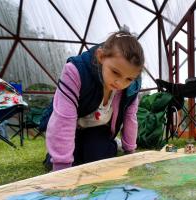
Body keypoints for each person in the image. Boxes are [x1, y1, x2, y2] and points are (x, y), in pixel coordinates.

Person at [45, 29, 144, 171]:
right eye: (115, 72)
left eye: (128, 79)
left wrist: (130, 152)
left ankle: (110, 145)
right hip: (73, 127)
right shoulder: (75, 71)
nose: (120, 83)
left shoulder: (132, 87)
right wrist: (62, 166)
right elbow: (63, 118)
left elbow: (130, 117)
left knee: (98, 158)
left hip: (98, 130)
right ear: (101, 56)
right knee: (62, 159)